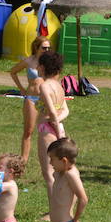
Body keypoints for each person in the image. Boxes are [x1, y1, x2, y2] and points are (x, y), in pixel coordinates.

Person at [9, 36, 52, 162]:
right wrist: (21, 89)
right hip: (32, 98)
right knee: (28, 131)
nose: (47, 50)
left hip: (46, 99)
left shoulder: (49, 62)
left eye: (49, 48)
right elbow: (13, 72)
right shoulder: (29, 61)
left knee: (47, 130)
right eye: (44, 48)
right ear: (37, 47)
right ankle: (24, 160)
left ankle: (49, 159)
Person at [36, 51, 69, 203]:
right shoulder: (59, 86)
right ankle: (62, 203)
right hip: (58, 127)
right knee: (58, 171)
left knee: (49, 173)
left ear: (42, 67)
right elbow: (65, 111)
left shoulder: (44, 86)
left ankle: (53, 211)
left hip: (48, 130)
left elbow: (51, 112)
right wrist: (59, 127)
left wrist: (54, 126)